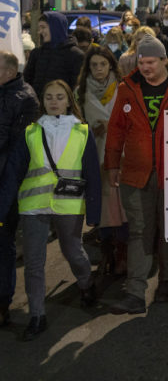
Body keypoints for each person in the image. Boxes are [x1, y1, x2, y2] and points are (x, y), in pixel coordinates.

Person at [104, 37, 168, 315]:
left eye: (151, 62)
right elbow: (116, 129)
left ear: (164, 61)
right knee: (139, 231)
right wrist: (112, 164)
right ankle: (135, 292)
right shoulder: (128, 88)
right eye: (141, 62)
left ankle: (166, 282)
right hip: (136, 174)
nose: (146, 67)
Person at [0, 80, 101, 340]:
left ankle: (86, 282)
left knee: (72, 251)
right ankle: (37, 315)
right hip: (34, 206)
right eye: (48, 97)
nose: (54, 101)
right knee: (34, 263)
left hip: (69, 204)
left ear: (69, 101)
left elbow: (92, 172)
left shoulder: (81, 131)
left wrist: (95, 211)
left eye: (59, 97)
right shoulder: (30, 132)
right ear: (42, 101)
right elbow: (13, 173)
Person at [76, 46, 128, 277]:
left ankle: (122, 255)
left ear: (110, 65)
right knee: (104, 208)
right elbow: (75, 123)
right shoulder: (80, 91)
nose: (98, 69)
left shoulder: (123, 88)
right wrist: (89, 130)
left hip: (122, 155)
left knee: (123, 207)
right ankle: (108, 252)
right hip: (95, 156)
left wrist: (115, 127)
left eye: (102, 64)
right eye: (94, 65)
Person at [0, 51, 41, 327]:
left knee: (3, 242)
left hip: (6, 183)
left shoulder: (25, 99)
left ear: (10, 71)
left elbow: (18, 154)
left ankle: (3, 302)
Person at [24, 11, 85, 97]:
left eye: (43, 27)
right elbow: (28, 82)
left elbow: (76, 86)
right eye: (39, 28)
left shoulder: (75, 55)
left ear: (55, 27)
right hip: (38, 107)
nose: (40, 32)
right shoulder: (36, 53)